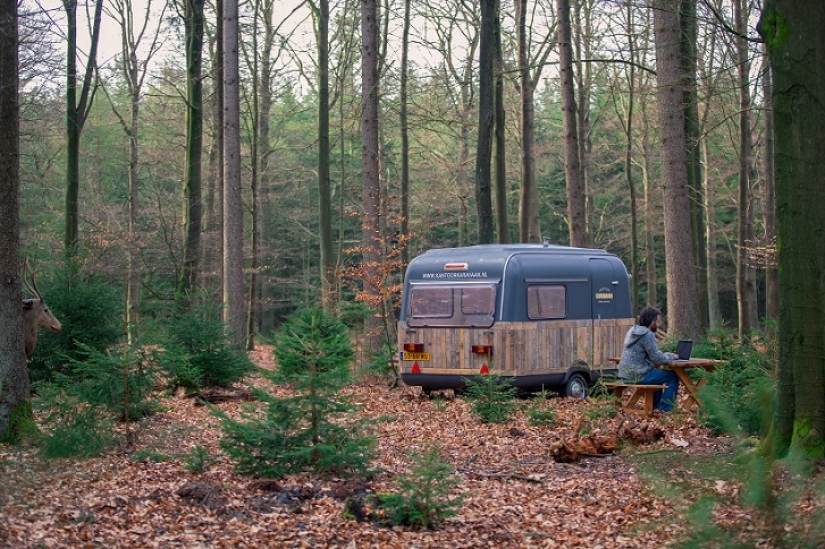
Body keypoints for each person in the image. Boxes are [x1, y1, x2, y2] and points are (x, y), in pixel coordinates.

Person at [618, 306, 680, 412]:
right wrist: (671, 356)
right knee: (673, 376)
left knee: (655, 373)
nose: (658, 324)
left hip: (624, 374)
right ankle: (664, 409)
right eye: (658, 321)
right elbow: (658, 359)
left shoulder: (632, 331)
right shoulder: (647, 335)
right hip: (637, 375)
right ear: (652, 321)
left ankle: (654, 406)